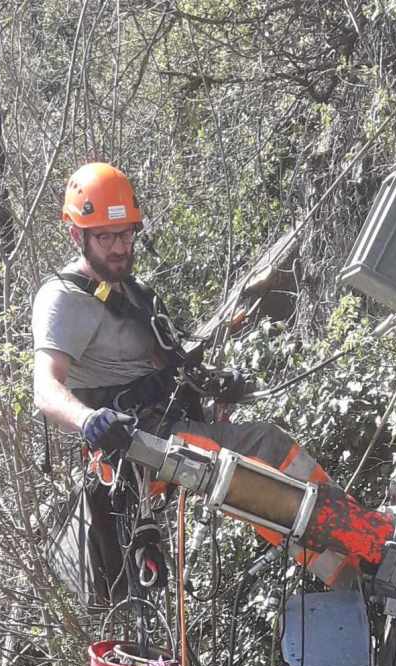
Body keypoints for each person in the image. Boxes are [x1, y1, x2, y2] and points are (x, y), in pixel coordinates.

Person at [32, 162, 376, 605]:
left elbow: (161, 364)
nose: (120, 248)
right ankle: (362, 558)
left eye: (126, 235)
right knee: (260, 454)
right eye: (106, 237)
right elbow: (45, 388)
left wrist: (213, 385)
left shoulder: (128, 290)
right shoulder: (61, 298)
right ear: (77, 235)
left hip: (166, 427)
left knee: (262, 470)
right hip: (138, 446)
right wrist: (89, 420)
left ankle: (357, 553)